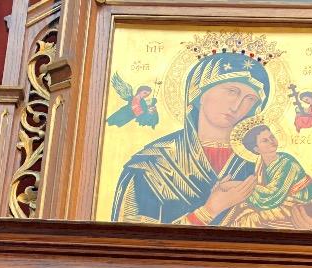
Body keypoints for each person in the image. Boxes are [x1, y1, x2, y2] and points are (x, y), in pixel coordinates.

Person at [111, 51, 271, 225]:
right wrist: (208, 211)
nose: (236, 106)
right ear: (200, 93)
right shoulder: (151, 165)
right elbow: (134, 244)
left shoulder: (260, 163)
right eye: (231, 91)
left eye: (250, 99)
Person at [224, 123, 312, 230]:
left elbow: (270, 198)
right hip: (280, 202)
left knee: (248, 219)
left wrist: (235, 185)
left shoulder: (287, 163)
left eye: (272, 137)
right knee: (241, 211)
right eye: (265, 140)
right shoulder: (260, 164)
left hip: (299, 204)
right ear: (256, 149)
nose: (271, 141)